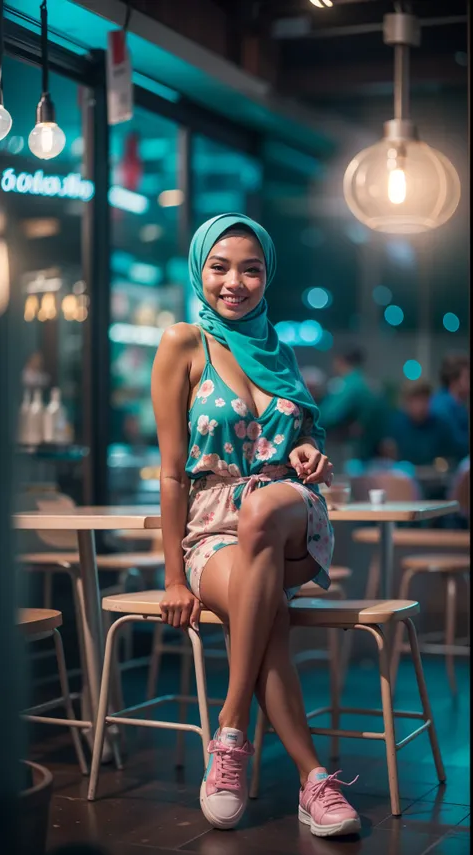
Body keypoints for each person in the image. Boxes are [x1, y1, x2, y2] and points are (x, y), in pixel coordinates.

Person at [151, 214, 360, 837]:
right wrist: (172, 578)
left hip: (289, 512)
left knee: (267, 505)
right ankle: (313, 779)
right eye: (220, 268)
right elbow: (170, 474)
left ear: (268, 275)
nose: (234, 282)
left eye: (250, 269)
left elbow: (305, 450)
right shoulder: (182, 344)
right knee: (262, 615)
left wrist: (308, 456)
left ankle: (230, 732)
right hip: (214, 530)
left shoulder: (280, 350)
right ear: (199, 271)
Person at [318, 348, 387, 461]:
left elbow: (330, 416)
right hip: (372, 449)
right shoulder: (370, 384)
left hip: (351, 449)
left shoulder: (348, 385)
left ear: (340, 361)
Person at [387, 380, 454, 466]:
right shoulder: (395, 425)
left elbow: (450, 458)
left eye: (424, 400)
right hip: (403, 475)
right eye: (416, 401)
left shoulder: (441, 426)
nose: (421, 406)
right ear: (406, 402)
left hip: (433, 476)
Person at [430, 354, 469, 462]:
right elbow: (454, 444)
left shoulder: (458, 406)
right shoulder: (441, 407)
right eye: (467, 378)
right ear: (453, 379)